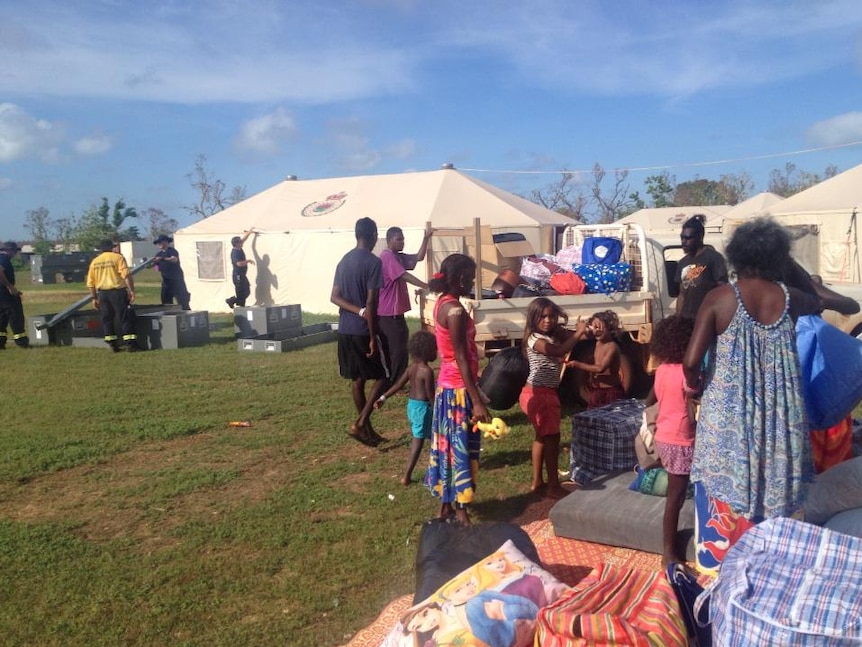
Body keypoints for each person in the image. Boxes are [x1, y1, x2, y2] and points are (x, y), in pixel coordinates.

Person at [683, 217, 815, 572]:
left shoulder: (720, 298)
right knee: (778, 482)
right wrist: (790, 271)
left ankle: (721, 572)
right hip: (780, 419)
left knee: (722, 485)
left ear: (735, 254)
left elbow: (692, 360)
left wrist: (692, 386)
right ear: (779, 257)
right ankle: (776, 570)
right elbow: (835, 303)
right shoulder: (792, 299)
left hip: (729, 420)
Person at [425, 253, 490, 526]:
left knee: (447, 446)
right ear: (461, 279)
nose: (472, 282)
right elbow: (461, 357)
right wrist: (477, 400)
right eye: (471, 278)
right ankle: (461, 509)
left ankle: (445, 506)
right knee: (460, 449)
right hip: (459, 392)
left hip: (447, 389)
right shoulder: (456, 312)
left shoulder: (442, 303)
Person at [519, 297, 588, 499]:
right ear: (534, 319)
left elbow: (572, 337)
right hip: (541, 395)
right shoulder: (536, 339)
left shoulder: (550, 334)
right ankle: (553, 486)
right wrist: (578, 333)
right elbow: (557, 351)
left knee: (541, 437)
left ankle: (537, 482)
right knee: (552, 439)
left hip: (537, 393)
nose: (548, 320)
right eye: (543, 317)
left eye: (551, 316)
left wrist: (586, 330)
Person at [643, 315, 696, 568]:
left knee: (676, 494)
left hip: (665, 436)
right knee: (675, 497)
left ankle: (670, 550)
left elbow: (649, 400)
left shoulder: (662, 369)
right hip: (682, 440)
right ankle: (669, 553)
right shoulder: (687, 373)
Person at [331, 217, 389, 446]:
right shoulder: (373, 263)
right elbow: (372, 302)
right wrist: (372, 333)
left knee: (358, 378)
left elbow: (334, 297)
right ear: (373, 236)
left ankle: (366, 430)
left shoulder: (343, 261)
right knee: (386, 375)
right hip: (364, 330)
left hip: (345, 329)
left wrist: (356, 310)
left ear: (357, 235)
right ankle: (361, 422)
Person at [375, 330, 437, 485]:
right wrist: (438, 410)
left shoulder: (412, 368)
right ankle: (407, 475)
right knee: (419, 439)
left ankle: (439, 465)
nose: (436, 352)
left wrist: (383, 397)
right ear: (427, 351)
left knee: (433, 436)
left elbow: (398, 384)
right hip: (424, 409)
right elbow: (431, 396)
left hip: (412, 407)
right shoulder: (427, 371)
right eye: (434, 349)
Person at [378, 225, 433, 384]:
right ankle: (395, 382)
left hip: (395, 312)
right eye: (398, 239)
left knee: (400, 347)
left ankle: (396, 381)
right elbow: (404, 275)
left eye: (403, 239)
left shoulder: (397, 256)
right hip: (389, 313)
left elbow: (419, 258)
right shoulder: (388, 257)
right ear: (389, 241)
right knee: (398, 350)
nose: (402, 242)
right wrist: (426, 286)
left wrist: (426, 238)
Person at [86, 239, 139, 352]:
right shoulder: (118, 257)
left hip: (102, 294)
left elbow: (90, 283)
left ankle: (112, 344)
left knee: (107, 318)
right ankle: (130, 344)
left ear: (100, 249)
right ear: (111, 247)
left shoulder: (95, 261)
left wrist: (94, 298)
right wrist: (132, 291)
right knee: (125, 317)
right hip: (117, 292)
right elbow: (126, 275)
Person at [566, 310, 624, 408]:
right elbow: (584, 333)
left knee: (611, 419)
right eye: (594, 327)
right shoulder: (598, 343)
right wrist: (581, 328)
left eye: (599, 327)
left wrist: (578, 364)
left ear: (609, 328)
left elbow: (600, 368)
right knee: (593, 418)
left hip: (611, 391)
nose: (596, 331)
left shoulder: (612, 346)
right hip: (597, 390)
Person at [675, 214, 728, 319]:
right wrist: (678, 318)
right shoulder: (683, 263)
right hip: (687, 320)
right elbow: (681, 294)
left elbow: (723, 289)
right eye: (682, 238)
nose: (683, 242)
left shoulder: (713, 258)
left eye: (688, 238)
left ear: (700, 236)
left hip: (707, 318)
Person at [0, 241, 29, 349]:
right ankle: (22, 343)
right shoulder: (4, 259)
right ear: (10, 250)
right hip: (6, 296)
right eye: (15, 251)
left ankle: (0, 343)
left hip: (2, 295)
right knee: (15, 317)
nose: (15, 254)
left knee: (1, 319)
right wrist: (9, 287)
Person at [152, 234, 190, 310]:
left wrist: (162, 259)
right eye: (158, 243)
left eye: (161, 242)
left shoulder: (172, 251)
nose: (159, 244)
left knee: (183, 300)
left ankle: (187, 316)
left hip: (176, 280)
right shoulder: (158, 254)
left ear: (166, 242)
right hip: (166, 281)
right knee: (166, 302)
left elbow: (174, 259)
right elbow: (156, 267)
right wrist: (153, 265)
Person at [226, 229, 255, 309]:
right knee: (241, 292)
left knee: (247, 291)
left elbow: (244, 239)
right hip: (237, 275)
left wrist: (250, 231)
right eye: (240, 242)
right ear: (237, 244)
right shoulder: (235, 253)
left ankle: (233, 301)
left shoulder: (239, 248)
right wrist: (248, 261)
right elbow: (239, 264)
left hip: (242, 275)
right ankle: (239, 306)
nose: (242, 242)